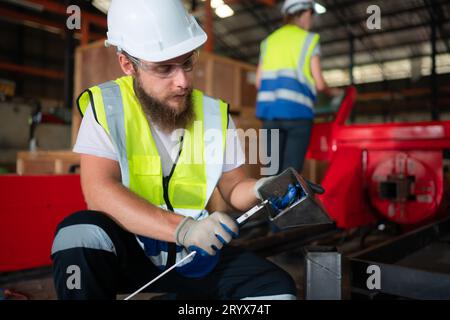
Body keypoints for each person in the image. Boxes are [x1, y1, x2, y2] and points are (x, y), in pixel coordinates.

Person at [51, 0, 296, 300]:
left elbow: (233, 188)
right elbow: (98, 190)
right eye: (164, 68)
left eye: (187, 63)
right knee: (77, 234)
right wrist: (183, 228)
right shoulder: (107, 107)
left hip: (194, 256)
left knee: (276, 291)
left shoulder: (214, 114)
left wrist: (262, 188)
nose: (182, 81)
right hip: (131, 253)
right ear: (128, 64)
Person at [256, 0, 341, 174]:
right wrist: (334, 92)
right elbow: (319, 83)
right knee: (291, 174)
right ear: (305, 14)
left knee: (271, 174)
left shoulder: (269, 41)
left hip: (270, 115)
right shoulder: (309, 40)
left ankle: (270, 202)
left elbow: (259, 82)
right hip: (298, 115)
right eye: (311, 15)